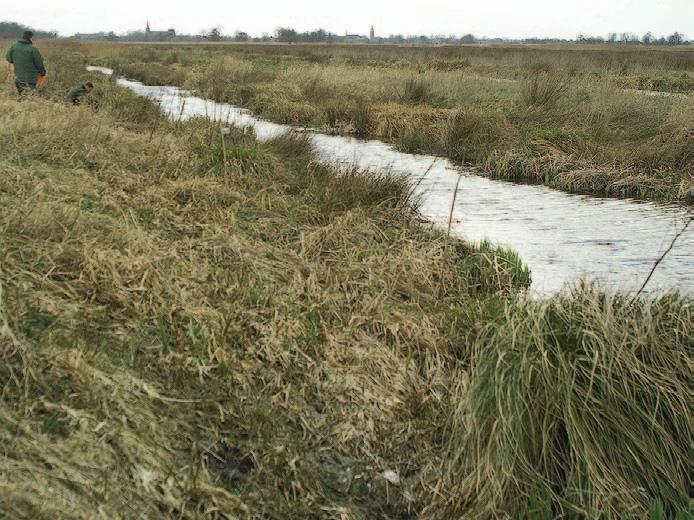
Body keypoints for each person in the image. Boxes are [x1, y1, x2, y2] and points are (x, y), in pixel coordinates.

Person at [4, 30, 46, 98]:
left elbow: (8, 58)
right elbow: (39, 64)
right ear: (30, 38)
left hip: (18, 79)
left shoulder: (14, 46)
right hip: (30, 80)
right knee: (29, 98)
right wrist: (43, 73)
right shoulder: (33, 49)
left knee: (21, 97)